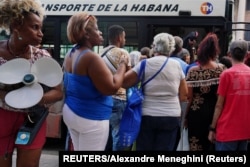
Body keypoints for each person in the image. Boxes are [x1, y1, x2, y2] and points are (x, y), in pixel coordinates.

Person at [0, 0, 63, 167]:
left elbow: (58, 92)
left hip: (32, 119)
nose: (40, 33)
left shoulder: (42, 57)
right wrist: (5, 95)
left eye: (40, 28)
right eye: (35, 27)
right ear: (16, 26)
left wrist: (33, 98)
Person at [62, 13, 128, 151]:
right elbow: (112, 88)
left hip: (71, 111)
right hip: (90, 117)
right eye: (97, 29)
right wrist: (122, 65)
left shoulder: (71, 53)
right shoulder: (91, 57)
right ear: (86, 33)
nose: (100, 32)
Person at [122, 32, 188, 151]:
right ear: (171, 48)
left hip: (147, 115)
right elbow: (184, 95)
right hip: (171, 115)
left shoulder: (145, 64)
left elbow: (124, 83)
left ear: (154, 46)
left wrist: (124, 66)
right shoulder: (177, 65)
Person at [185, 33, 225, 151]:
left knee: (195, 145)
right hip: (214, 113)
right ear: (215, 51)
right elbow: (221, 97)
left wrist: (185, 117)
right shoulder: (221, 69)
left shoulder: (193, 71)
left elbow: (189, 97)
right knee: (211, 146)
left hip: (196, 113)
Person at [208, 40, 250, 151]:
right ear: (246, 55)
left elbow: (219, 105)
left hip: (227, 129)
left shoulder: (226, 74)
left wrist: (212, 128)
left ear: (229, 54)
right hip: (245, 129)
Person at [100, 25, 131, 151]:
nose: (125, 40)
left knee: (104, 135)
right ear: (119, 37)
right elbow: (128, 78)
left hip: (102, 98)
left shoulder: (100, 52)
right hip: (118, 98)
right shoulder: (123, 53)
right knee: (118, 133)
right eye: (124, 37)